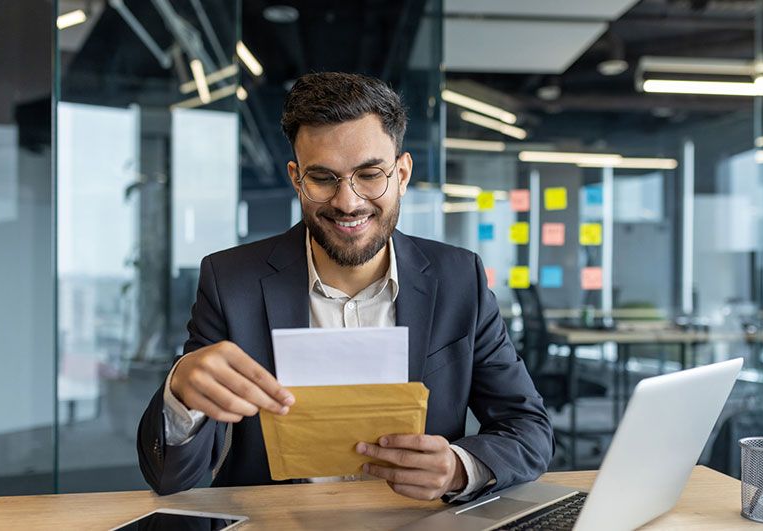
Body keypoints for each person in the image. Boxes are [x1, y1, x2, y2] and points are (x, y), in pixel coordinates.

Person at [137, 72, 554, 502]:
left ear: (403, 173)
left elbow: (528, 430)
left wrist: (457, 468)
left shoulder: (458, 278)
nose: (348, 202)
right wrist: (181, 392)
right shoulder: (231, 282)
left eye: (370, 174)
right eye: (323, 178)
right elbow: (170, 478)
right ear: (297, 178)